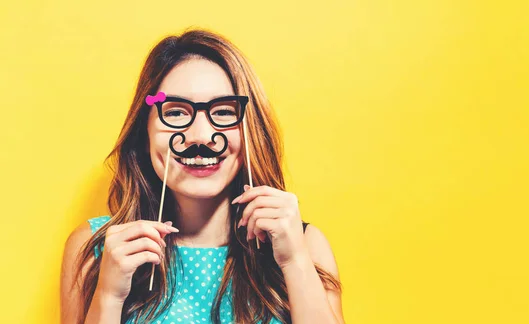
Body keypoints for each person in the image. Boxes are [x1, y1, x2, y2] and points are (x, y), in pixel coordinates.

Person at [60, 29, 343, 324]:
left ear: (251, 130)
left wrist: (294, 261)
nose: (201, 137)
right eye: (177, 112)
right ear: (144, 130)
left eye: (222, 112)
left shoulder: (304, 244)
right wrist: (109, 297)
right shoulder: (94, 248)